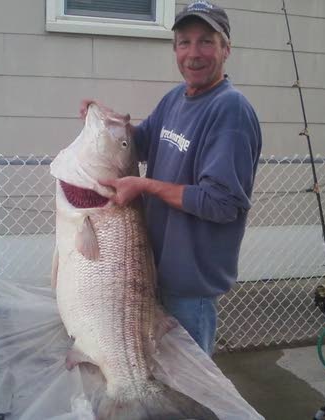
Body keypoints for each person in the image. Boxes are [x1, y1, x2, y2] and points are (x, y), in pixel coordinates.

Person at [80, 1, 262, 355]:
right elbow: (142, 143)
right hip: (151, 274)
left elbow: (222, 203)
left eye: (206, 41)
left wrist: (145, 185)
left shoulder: (231, 110)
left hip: (190, 289)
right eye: (184, 42)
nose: (193, 54)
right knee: (152, 379)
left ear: (226, 48)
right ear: (175, 49)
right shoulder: (175, 99)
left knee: (188, 393)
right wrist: (104, 127)